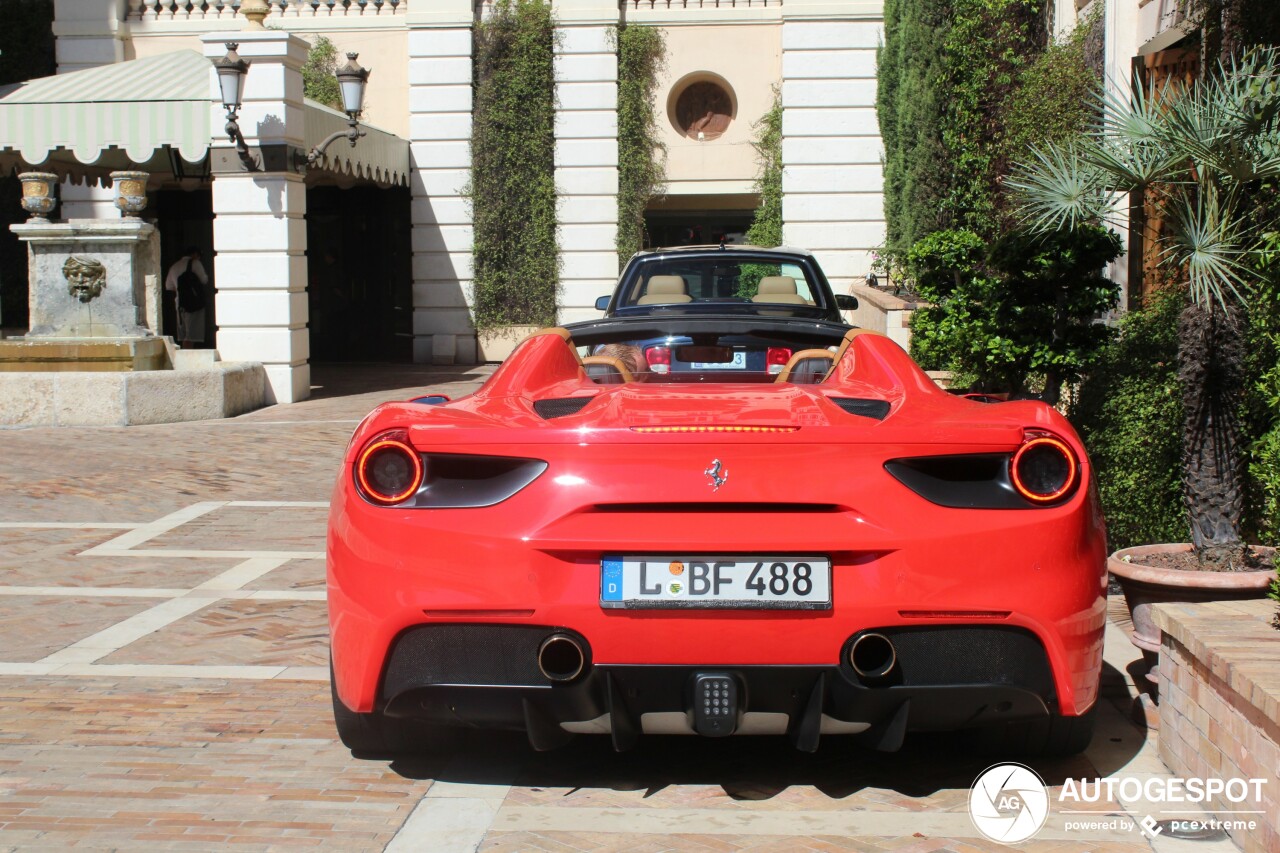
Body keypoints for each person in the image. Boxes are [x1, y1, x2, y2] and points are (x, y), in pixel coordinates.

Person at [165, 246, 208, 349]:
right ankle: (188, 360)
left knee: (184, 335)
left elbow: (168, 286)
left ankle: (185, 355)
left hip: (180, 304)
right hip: (194, 304)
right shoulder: (195, 263)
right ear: (195, 254)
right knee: (191, 336)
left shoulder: (174, 266)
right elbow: (204, 280)